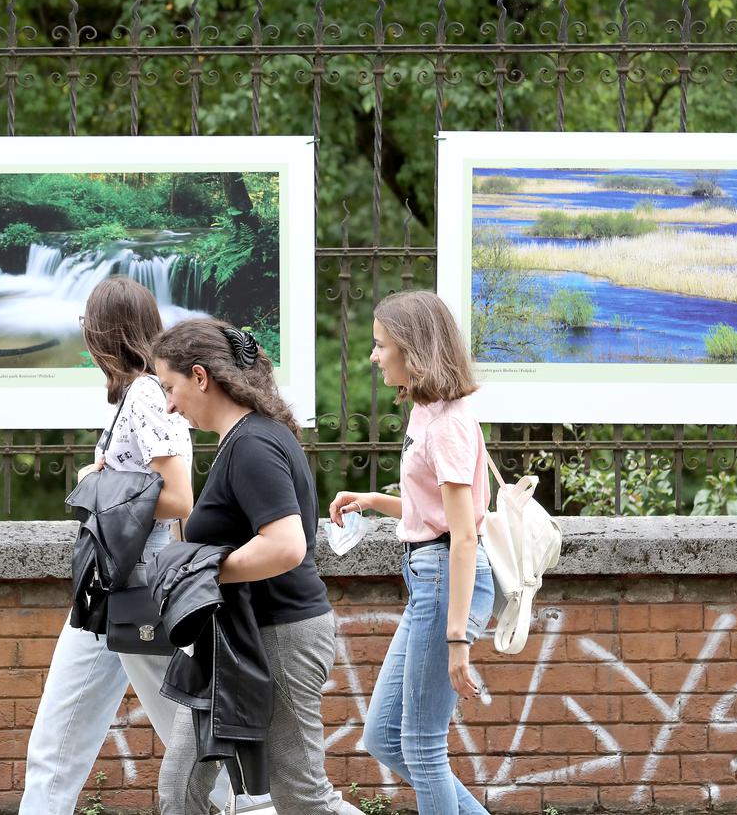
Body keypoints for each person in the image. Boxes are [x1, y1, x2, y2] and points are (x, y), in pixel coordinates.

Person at [19, 277, 256, 815]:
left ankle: (254, 806)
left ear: (104, 331)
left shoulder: (148, 393)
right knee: (59, 741)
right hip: (115, 585)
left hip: (138, 584)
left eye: (87, 324)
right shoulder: (139, 393)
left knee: (190, 741)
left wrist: (98, 482)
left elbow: (178, 496)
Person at [153, 318, 361, 815]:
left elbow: (286, 545)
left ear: (200, 377)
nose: (168, 405)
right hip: (232, 637)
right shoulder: (245, 438)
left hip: (279, 635)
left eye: (170, 388)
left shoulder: (252, 444)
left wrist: (202, 572)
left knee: (302, 798)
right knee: (180, 787)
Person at [328, 289, 496, 815]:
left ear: (412, 348)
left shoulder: (447, 427)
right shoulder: (428, 411)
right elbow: (440, 514)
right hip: (431, 571)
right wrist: (376, 501)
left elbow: (464, 535)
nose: (374, 356)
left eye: (381, 345)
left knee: (422, 745)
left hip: (446, 577)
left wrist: (457, 640)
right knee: (384, 736)